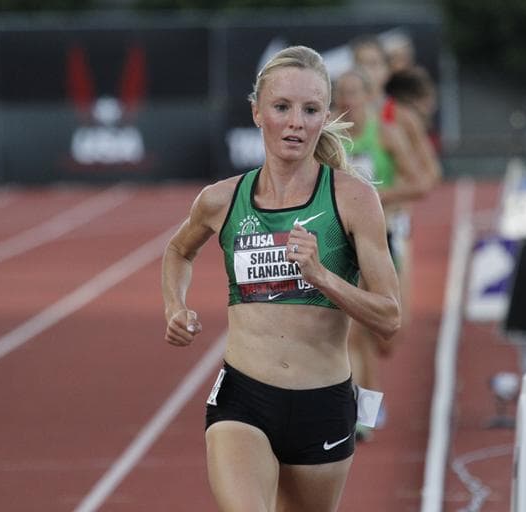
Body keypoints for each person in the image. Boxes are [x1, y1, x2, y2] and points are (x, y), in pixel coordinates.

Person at [162, 45, 401, 512]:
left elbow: (389, 318)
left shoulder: (353, 199)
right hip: (243, 400)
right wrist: (175, 305)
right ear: (257, 112)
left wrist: (322, 276)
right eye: (282, 107)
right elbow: (177, 251)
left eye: (310, 110)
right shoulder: (221, 199)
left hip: (323, 405)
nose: (296, 123)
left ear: (325, 116)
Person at [333, 67, 436, 441]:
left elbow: (420, 183)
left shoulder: (385, 134)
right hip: (343, 240)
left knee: (383, 338)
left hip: (382, 238)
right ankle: (362, 417)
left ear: (367, 97)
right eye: (342, 93)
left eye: (354, 93)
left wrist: (375, 196)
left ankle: (369, 405)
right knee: (351, 335)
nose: (348, 100)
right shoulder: (330, 138)